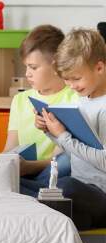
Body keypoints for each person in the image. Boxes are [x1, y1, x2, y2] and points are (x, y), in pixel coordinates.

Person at [27, 28, 106, 230]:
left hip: (99, 193)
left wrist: (62, 136)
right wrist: (49, 130)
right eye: (67, 80)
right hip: (82, 192)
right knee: (14, 183)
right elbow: (75, 146)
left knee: (65, 186)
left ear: (99, 67)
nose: (71, 86)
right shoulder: (83, 99)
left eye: (76, 78)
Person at [3, 25, 79, 195]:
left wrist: (28, 167)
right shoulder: (20, 100)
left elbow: (60, 159)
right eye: (26, 67)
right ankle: (35, 193)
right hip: (24, 174)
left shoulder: (74, 98)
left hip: (51, 173)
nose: (27, 74)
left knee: (68, 162)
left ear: (55, 66)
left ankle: (26, 192)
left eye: (33, 67)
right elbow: (10, 147)